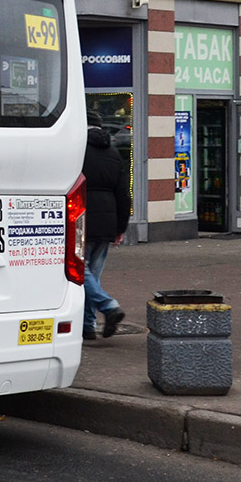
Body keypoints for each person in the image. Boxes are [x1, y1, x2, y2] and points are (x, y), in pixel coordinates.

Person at [82, 109, 131, 341]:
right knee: (93, 274)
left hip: (81, 218)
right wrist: (120, 228)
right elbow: (124, 194)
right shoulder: (113, 153)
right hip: (108, 221)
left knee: (79, 271)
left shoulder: (77, 151)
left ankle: (108, 307)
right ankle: (88, 325)